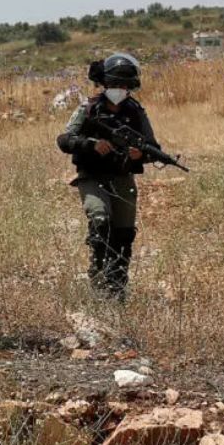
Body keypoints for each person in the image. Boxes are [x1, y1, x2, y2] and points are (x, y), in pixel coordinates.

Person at [56, 53, 158, 301]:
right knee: (100, 220)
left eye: (124, 86)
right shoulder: (88, 108)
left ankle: (117, 288)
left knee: (124, 235)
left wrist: (139, 154)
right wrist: (91, 144)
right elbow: (64, 139)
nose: (118, 90)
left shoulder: (135, 112)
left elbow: (152, 146)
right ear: (105, 84)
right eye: (114, 85)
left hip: (122, 178)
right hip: (92, 177)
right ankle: (98, 279)